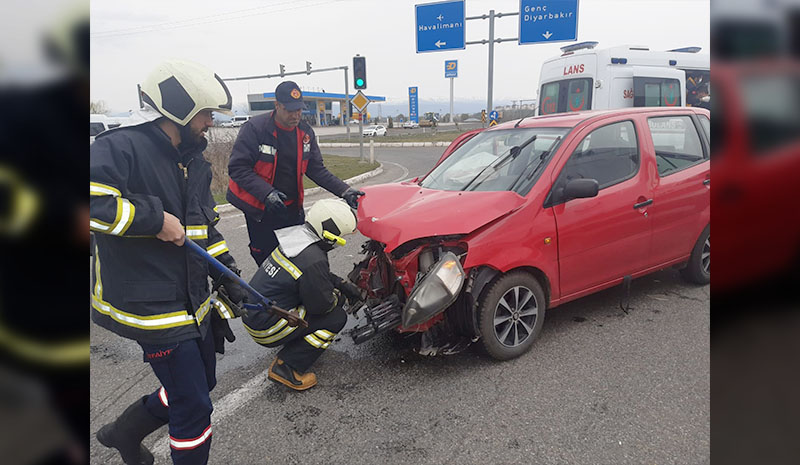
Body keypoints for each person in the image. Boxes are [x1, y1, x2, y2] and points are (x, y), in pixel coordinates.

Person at [90, 60, 246, 465]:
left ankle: (122, 432)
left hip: (190, 298)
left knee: (203, 383)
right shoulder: (119, 146)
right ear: (179, 107)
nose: (210, 123)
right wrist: (154, 219)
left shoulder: (193, 160)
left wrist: (227, 272)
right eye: (206, 113)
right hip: (150, 305)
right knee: (193, 406)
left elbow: (202, 229)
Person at [226, 80, 365, 266]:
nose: (296, 115)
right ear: (277, 106)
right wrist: (267, 193)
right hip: (262, 209)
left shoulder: (305, 132)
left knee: (298, 258)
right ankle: (271, 294)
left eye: (299, 110)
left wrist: (344, 191)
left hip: (292, 208)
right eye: (290, 110)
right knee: (267, 260)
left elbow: (316, 169)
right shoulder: (255, 129)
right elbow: (238, 168)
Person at [240, 198, 363, 391]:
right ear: (330, 236)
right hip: (266, 328)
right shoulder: (314, 258)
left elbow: (312, 274)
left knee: (326, 306)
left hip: (257, 314)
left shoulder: (298, 238)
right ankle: (286, 367)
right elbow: (321, 305)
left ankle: (295, 342)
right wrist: (340, 296)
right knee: (336, 317)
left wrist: (340, 283)